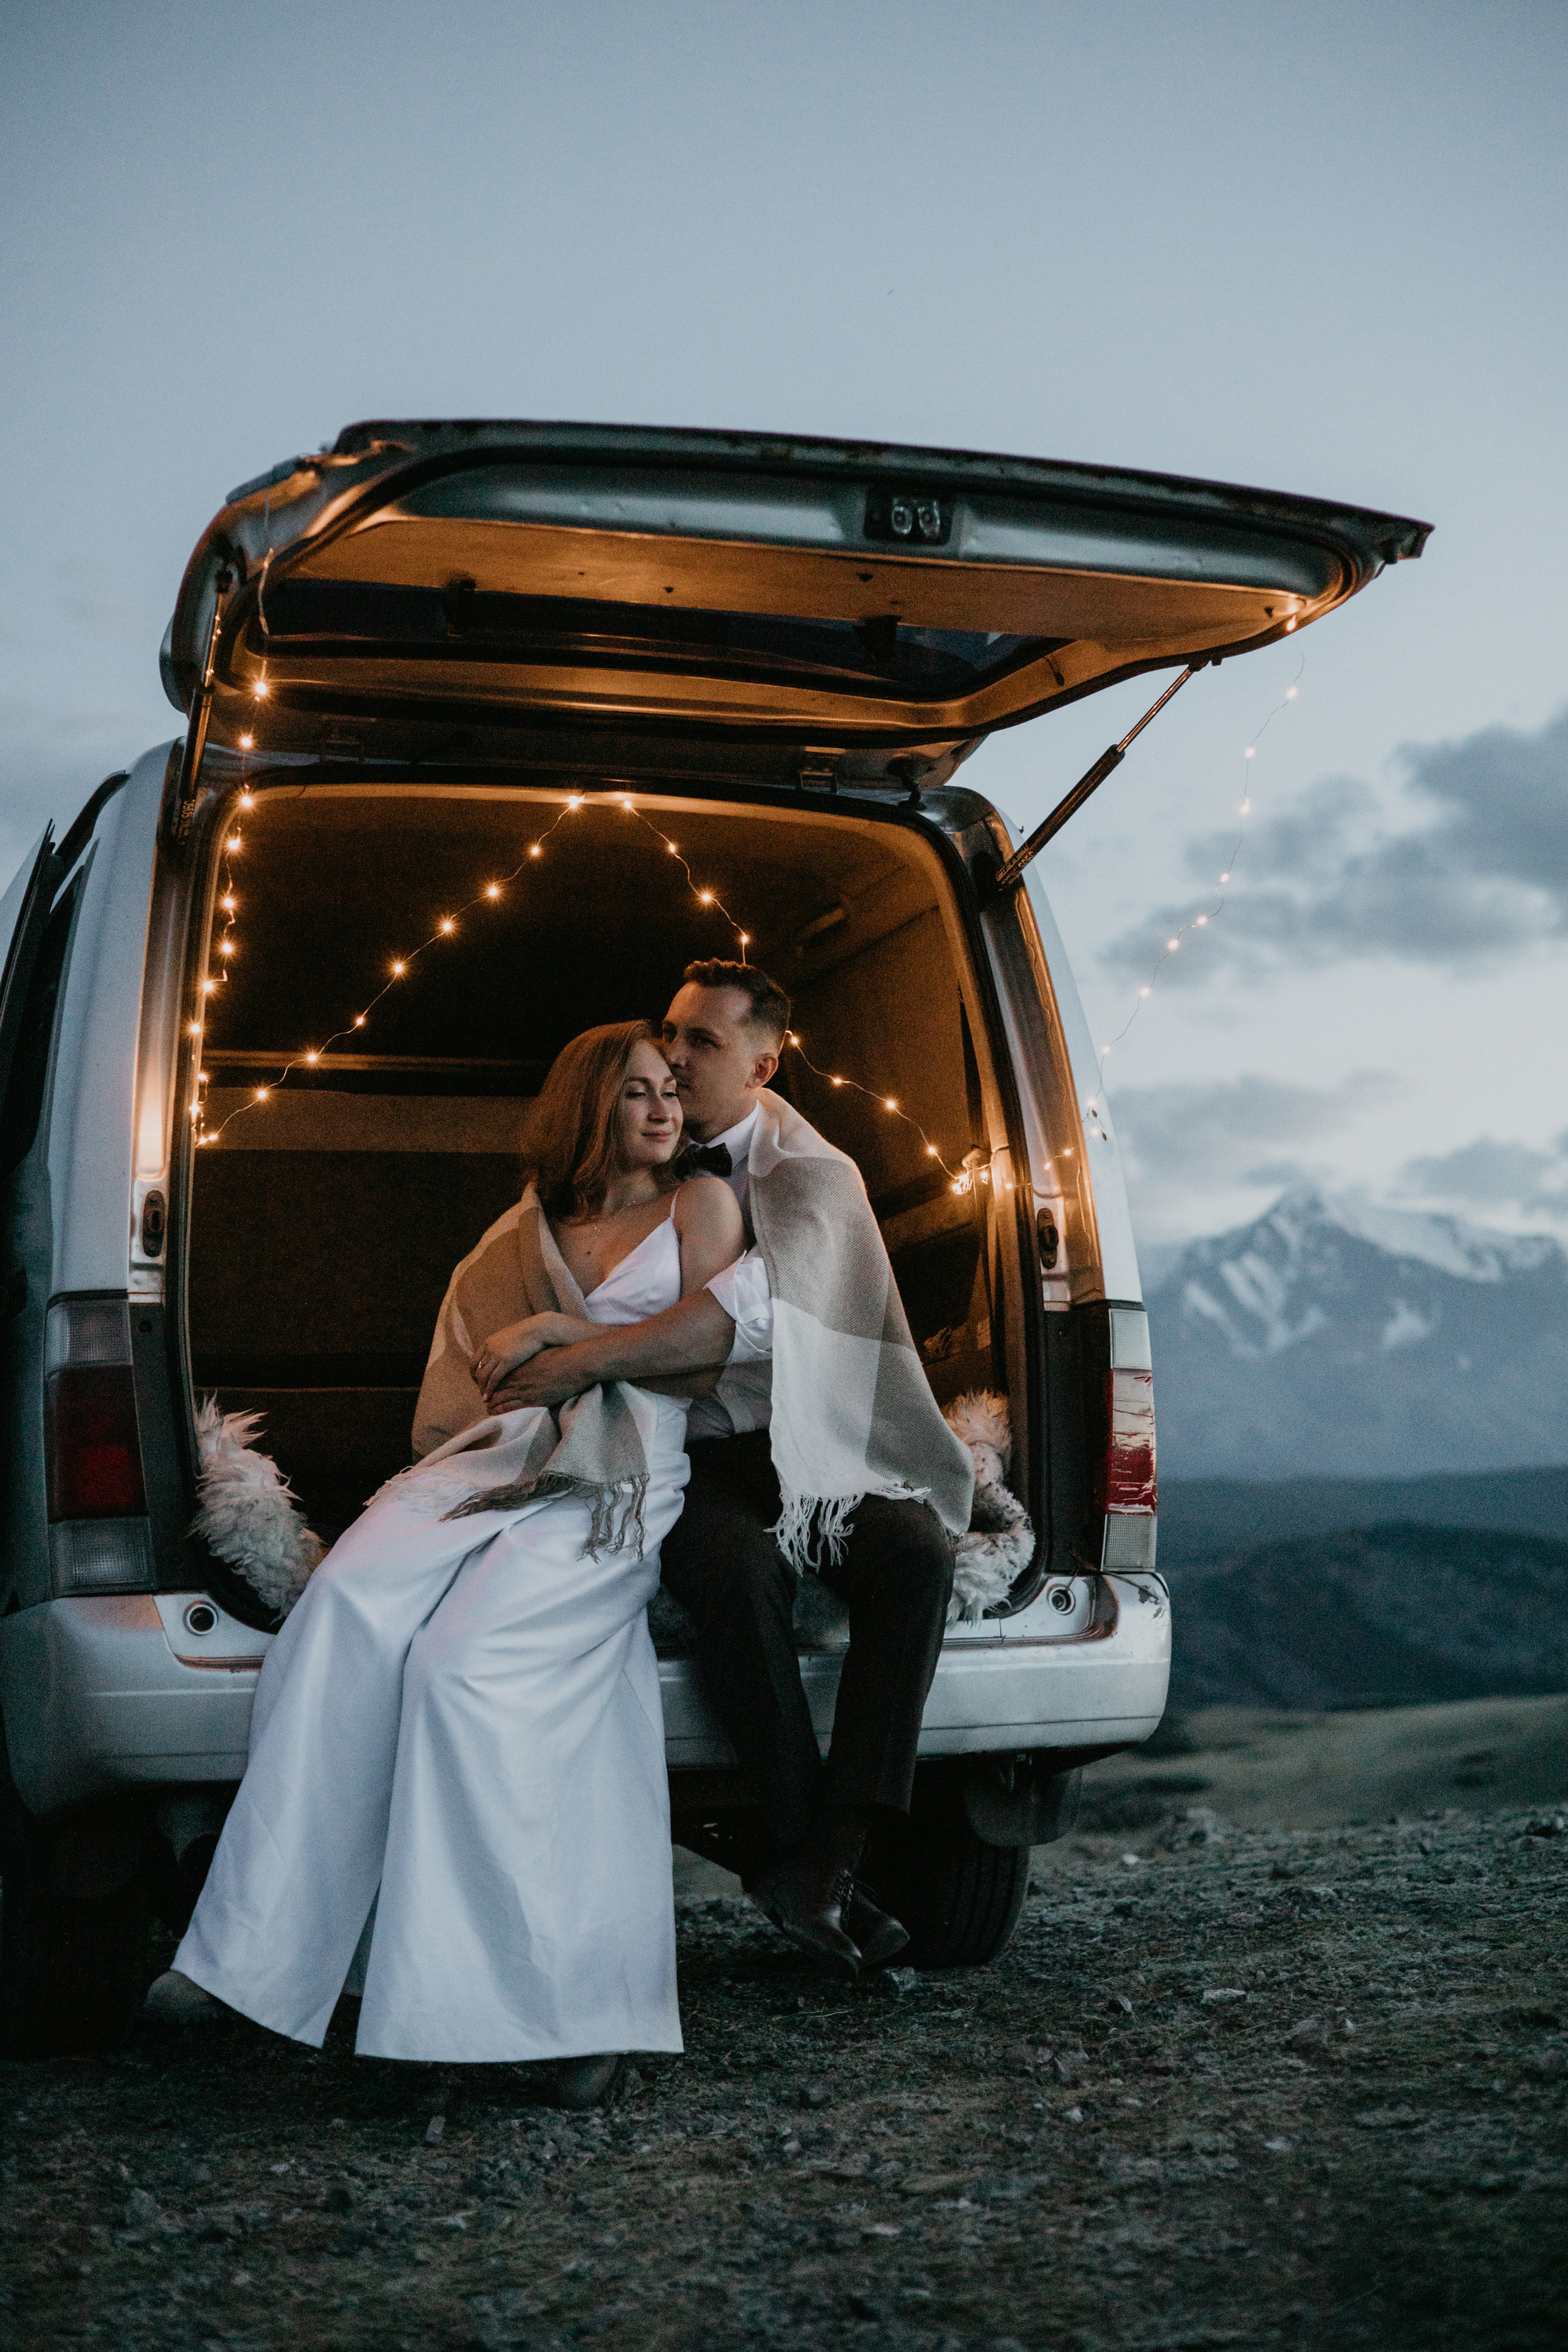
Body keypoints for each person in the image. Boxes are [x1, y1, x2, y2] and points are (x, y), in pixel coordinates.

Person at [147, 1022, 743, 2108]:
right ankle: (257, 1963)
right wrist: (527, 1366)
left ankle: (503, 2015)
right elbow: (481, 1374)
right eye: (639, 1094)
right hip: (508, 1447)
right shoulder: (526, 1228)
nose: (665, 1110)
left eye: (672, 1091)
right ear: (586, 1109)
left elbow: (712, 1346)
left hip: (619, 1468)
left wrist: (561, 1334)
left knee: (463, 1673)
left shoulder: (702, 1202)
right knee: (347, 1615)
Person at [489, 962, 974, 1978]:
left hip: (815, 1439)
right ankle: (808, 1864)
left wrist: (579, 1358)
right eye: (670, 1032)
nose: (671, 1054)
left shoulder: (812, 1174)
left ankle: (836, 1851)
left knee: (916, 1555)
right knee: (736, 1574)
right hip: (694, 1449)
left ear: (765, 1063)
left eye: (700, 1043)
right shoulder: (641, 1155)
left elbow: (745, 1319)